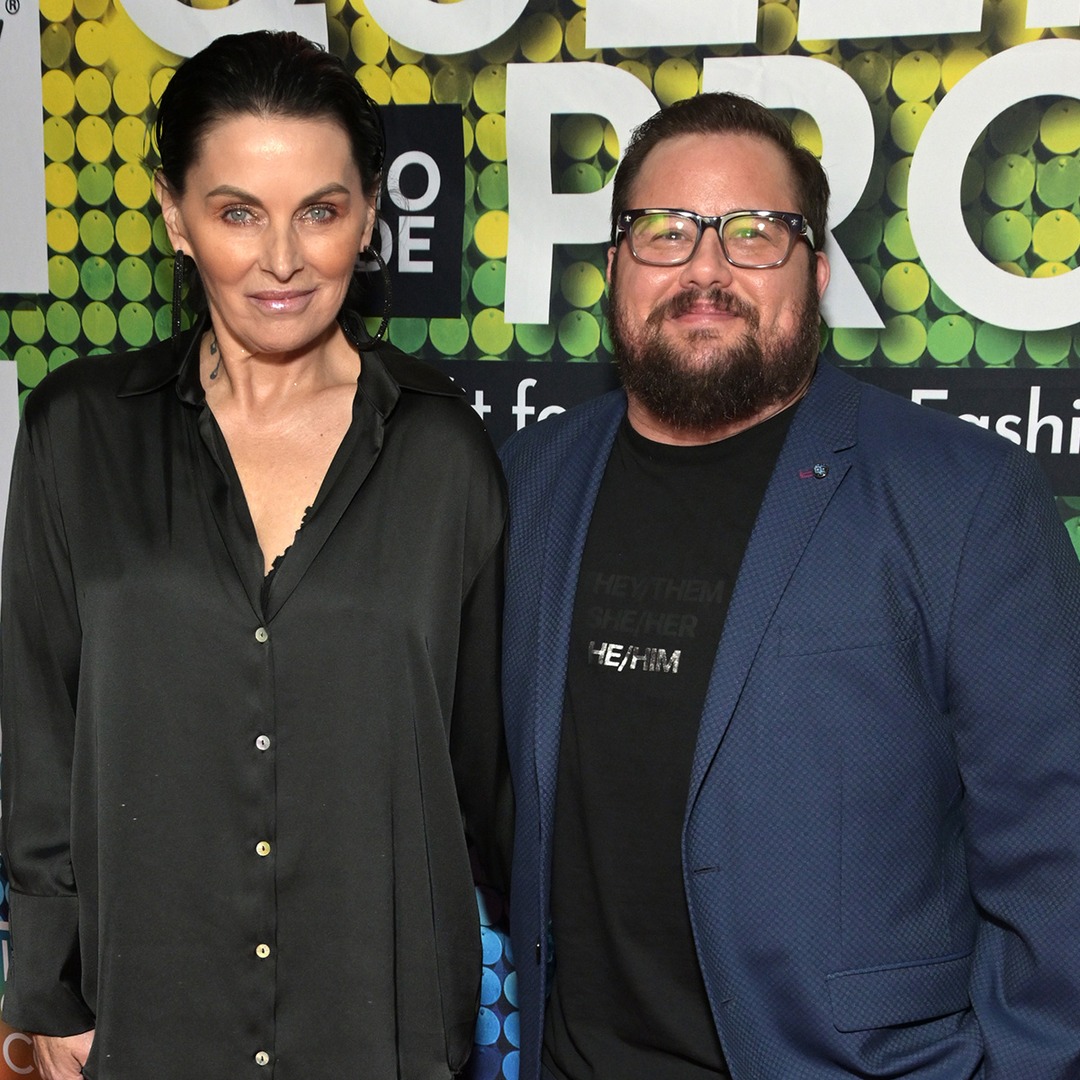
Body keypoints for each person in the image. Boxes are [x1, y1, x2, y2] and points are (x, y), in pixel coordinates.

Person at [499, 91, 1080, 1080]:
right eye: (665, 231)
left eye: (754, 232)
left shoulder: (962, 495)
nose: (705, 269)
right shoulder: (527, 481)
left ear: (816, 272)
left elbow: (1057, 850)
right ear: (613, 265)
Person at [1, 30, 511, 1080]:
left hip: (380, 1033)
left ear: (368, 214)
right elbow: (43, 738)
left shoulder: (443, 452)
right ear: (173, 214)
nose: (282, 259)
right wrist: (47, 991)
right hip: (145, 1024)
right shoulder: (77, 434)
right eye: (238, 212)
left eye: (319, 211)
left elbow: (482, 774)